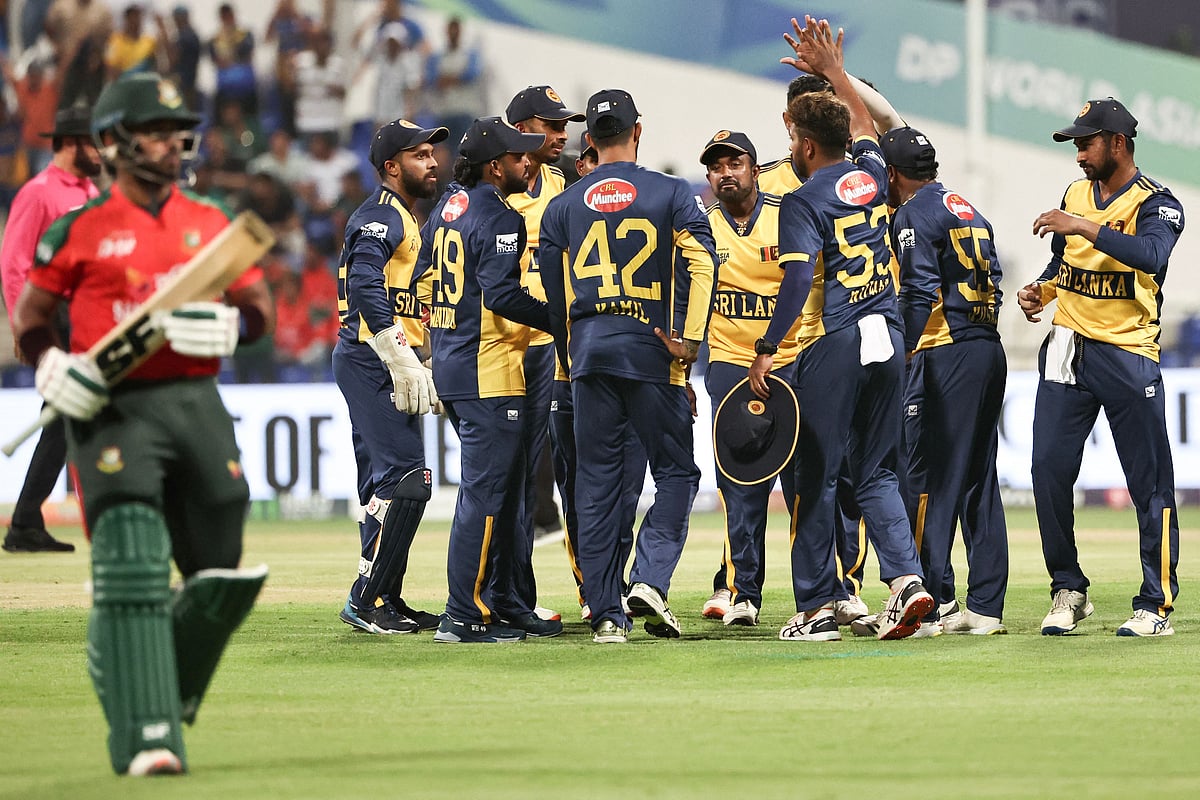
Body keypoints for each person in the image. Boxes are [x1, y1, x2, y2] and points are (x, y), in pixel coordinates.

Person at [10, 71, 274, 775]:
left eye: (175, 130)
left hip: (195, 402)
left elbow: (259, 312)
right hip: (112, 405)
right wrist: (48, 366)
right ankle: (147, 733)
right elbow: (31, 320)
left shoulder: (209, 219)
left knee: (221, 566)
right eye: (154, 131)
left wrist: (231, 326)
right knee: (130, 556)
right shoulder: (78, 228)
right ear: (113, 143)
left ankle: (129, 662)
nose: (171, 143)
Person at [749, 17, 931, 642]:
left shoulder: (802, 201)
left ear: (802, 144)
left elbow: (798, 283)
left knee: (814, 476)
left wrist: (767, 349)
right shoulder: (876, 175)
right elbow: (865, 124)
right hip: (891, 335)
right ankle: (907, 581)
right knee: (876, 471)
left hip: (841, 338)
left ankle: (815, 608)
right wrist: (832, 71)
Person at [540, 89, 718, 644]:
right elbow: (703, 263)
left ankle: (606, 615)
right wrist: (689, 341)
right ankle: (648, 577)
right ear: (638, 132)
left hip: (589, 351)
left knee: (595, 484)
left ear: (587, 139)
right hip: (653, 349)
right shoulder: (671, 193)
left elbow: (553, 290)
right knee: (677, 473)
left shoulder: (563, 206)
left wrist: (572, 352)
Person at [1017, 97, 1185, 637]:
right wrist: (1041, 289)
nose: (1078, 155)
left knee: (1149, 483)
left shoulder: (1158, 202)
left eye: (1086, 143)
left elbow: (1151, 257)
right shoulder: (1075, 195)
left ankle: (1155, 604)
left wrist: (1083, 226)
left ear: (1118, 143)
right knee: (1047, 472)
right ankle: (1068, 588)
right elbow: (1063, 263)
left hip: (1128, 353)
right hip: (1067, 344)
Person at [415, 116, 561, 644]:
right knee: (486, 494)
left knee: (496, 491)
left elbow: (422, 278)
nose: (531, 162)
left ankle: (500, 601)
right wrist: (559, 321)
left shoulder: (448, 207)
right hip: (490, 369)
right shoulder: (501, 217)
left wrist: (439, 337)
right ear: (496, 167)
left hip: (455, 364)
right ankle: (462, 615)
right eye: (521, 156)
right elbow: (501, 295)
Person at [881, 125, 1009, 636]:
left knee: (930, 479)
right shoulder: (968, 208)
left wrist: (905, 351)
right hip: (987, 346)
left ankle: (927, 603)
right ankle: (985, 605)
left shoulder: (913, 213)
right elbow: (993, 277)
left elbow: (917, 290)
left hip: (945, 349)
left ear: (892, 175)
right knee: (979, 478)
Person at [333, 119, 445, 634]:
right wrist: (397, 352)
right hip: (368, 359)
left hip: (374, 359)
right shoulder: (381, 216)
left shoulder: (402, 216)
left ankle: (387, 598)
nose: (433, 162)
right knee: (410, 481)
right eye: (420, 154)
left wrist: (418, 353)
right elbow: (363, 283)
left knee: (386, 487)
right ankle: (366, 598)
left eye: (432, 153)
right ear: (391, 167)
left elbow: (403, 297)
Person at [698, 129, 802, 627]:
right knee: (738, 483)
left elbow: (809, 282)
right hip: (727, 365)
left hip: (792, 361)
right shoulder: (702, 227)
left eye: (734, 162)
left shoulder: (788, 215)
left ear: (755, 169)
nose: (725, 173)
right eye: (716, 166)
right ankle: (745, 593)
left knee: (811, 480)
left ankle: (830, 591)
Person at [548, 131, 643, 621]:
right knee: (581, 486)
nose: (591, 166)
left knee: (625, 489)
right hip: (570, 372)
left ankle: (614, 581)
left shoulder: (615, 213)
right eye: (583, 161)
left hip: (617, 367)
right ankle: (592, 586)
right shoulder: (567, 216)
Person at [1, 105, 100, 554]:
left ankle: (25, 521)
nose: (99, 151)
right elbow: (15, 262)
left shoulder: (91, 190)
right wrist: (27, 324)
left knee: (65, 417)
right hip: (56, 315)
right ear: (68, 144)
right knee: (68, 414)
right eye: (91, 142)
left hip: (87, 316)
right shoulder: (38, 193)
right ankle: (29, 520)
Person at [503, 84, 585, 621]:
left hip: (565, 352)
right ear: (524, 128)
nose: (562, 135)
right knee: (508, 482)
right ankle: (506, 599)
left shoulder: (570, 181)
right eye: (553, 126)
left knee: (581, 479)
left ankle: (593, 593)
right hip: (505, 351)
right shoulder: (492, 188)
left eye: (564, 126)